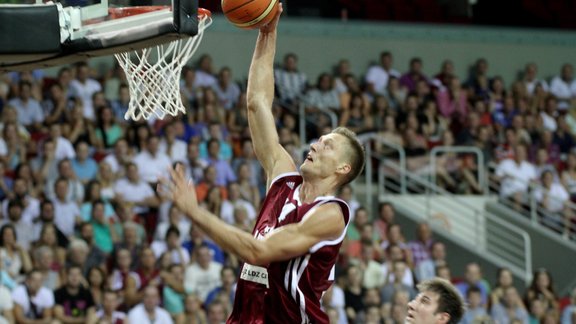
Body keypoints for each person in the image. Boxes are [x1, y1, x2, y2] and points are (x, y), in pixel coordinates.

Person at [160, 4, 366, 323]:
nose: (314, 144)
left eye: (327, 146)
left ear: (343, 169)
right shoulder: (284, 178)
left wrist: (193, 211)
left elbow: (258, 252)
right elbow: (257, 104)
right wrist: (267, 33)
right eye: (319, 139)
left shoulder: (331, 215)